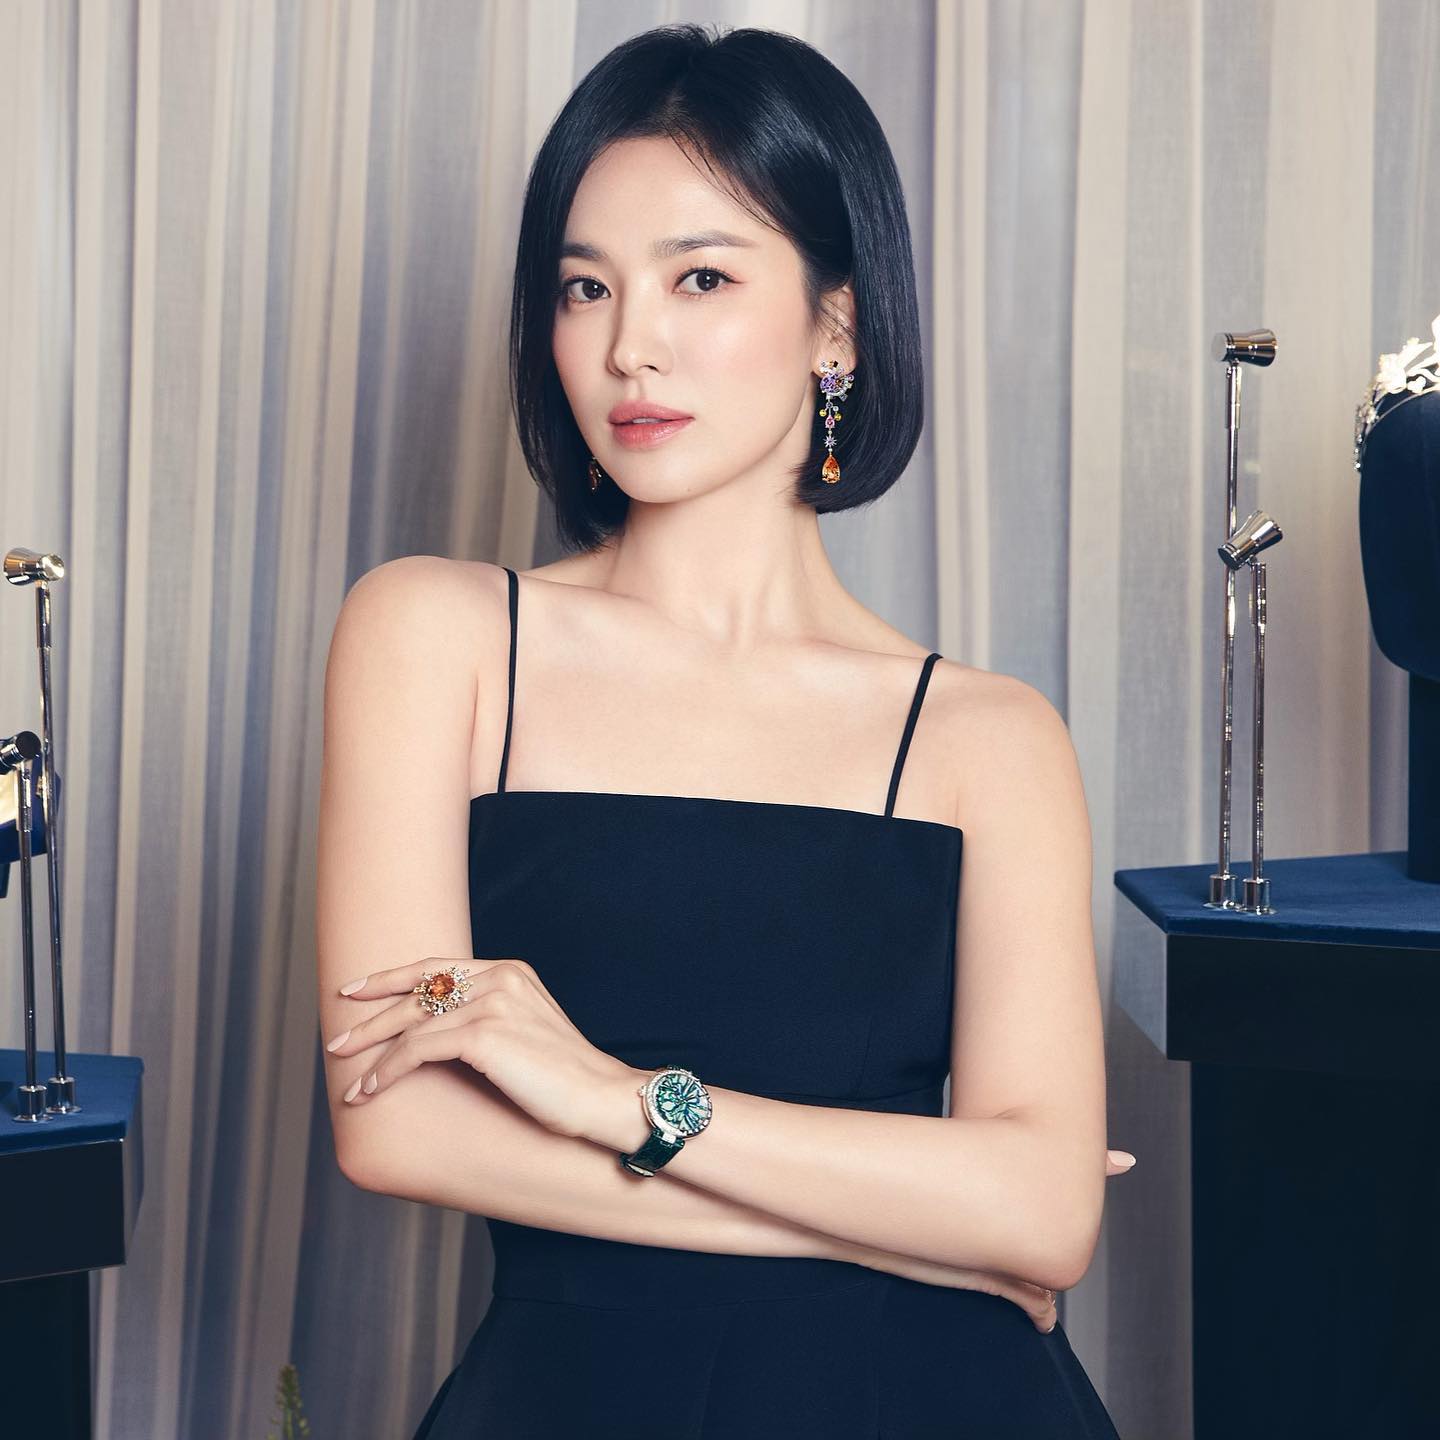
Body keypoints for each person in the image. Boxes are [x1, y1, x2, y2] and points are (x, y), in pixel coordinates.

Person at [317, 23, 1131, 1438]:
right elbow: (394, 1124)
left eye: (700, 276)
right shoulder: (436, 636)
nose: (629, 345)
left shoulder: (987, 738)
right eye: (586, 287)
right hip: (573, 1401)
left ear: (837, 324)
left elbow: (1048, 1213)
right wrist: (906, 1230)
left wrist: (617, 1098)